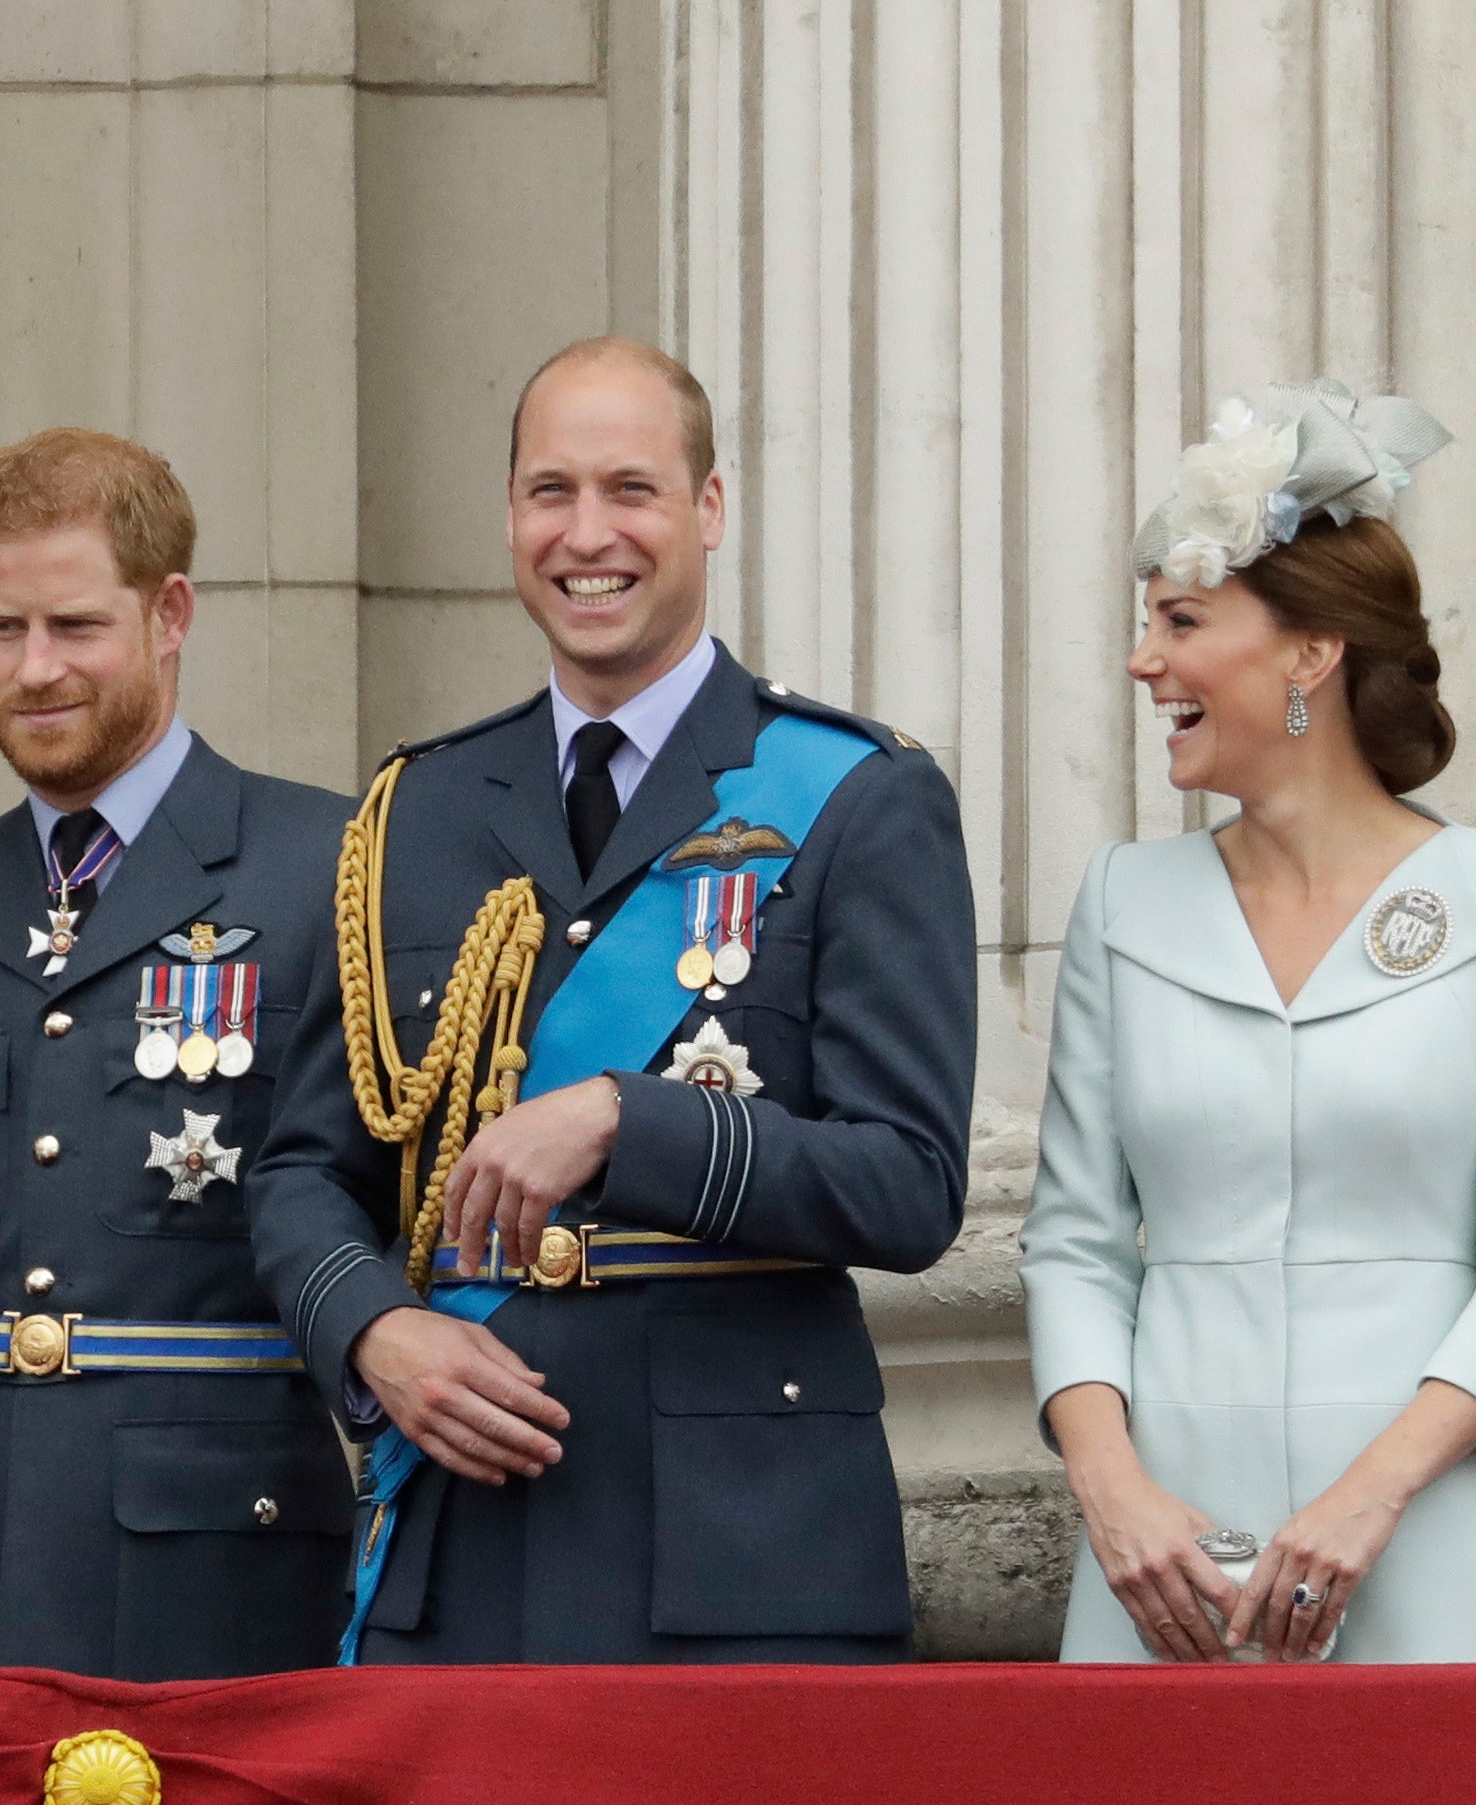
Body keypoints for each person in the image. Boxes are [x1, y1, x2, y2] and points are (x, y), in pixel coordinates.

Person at [247, 338, 977, 1663]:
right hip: (463, 1543)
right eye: (549, 492)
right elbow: (304, 1165)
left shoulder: (853, 799)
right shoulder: (410, 812)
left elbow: (910, 1186)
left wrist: (622, 1123)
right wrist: (375, 1332)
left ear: (707, 508)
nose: (587, 534)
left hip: (737, 1554)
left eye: (631, 489)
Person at [1022, 387, 1476, 1664]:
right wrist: (1111, 1492)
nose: (1142, 661)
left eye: (1180, 622)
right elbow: (1072, 1243)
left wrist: (1368, 1496)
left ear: (1309, 654)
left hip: (1418, 1533)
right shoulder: (1126, 902)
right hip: (1157, 1561)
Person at [0, 429, 358, 1677]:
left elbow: (368, 1212)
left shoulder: (326, 870)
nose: (34, 670)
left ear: (169, 612)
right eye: (2, 627)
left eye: (75, 626)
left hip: (217, 1554)